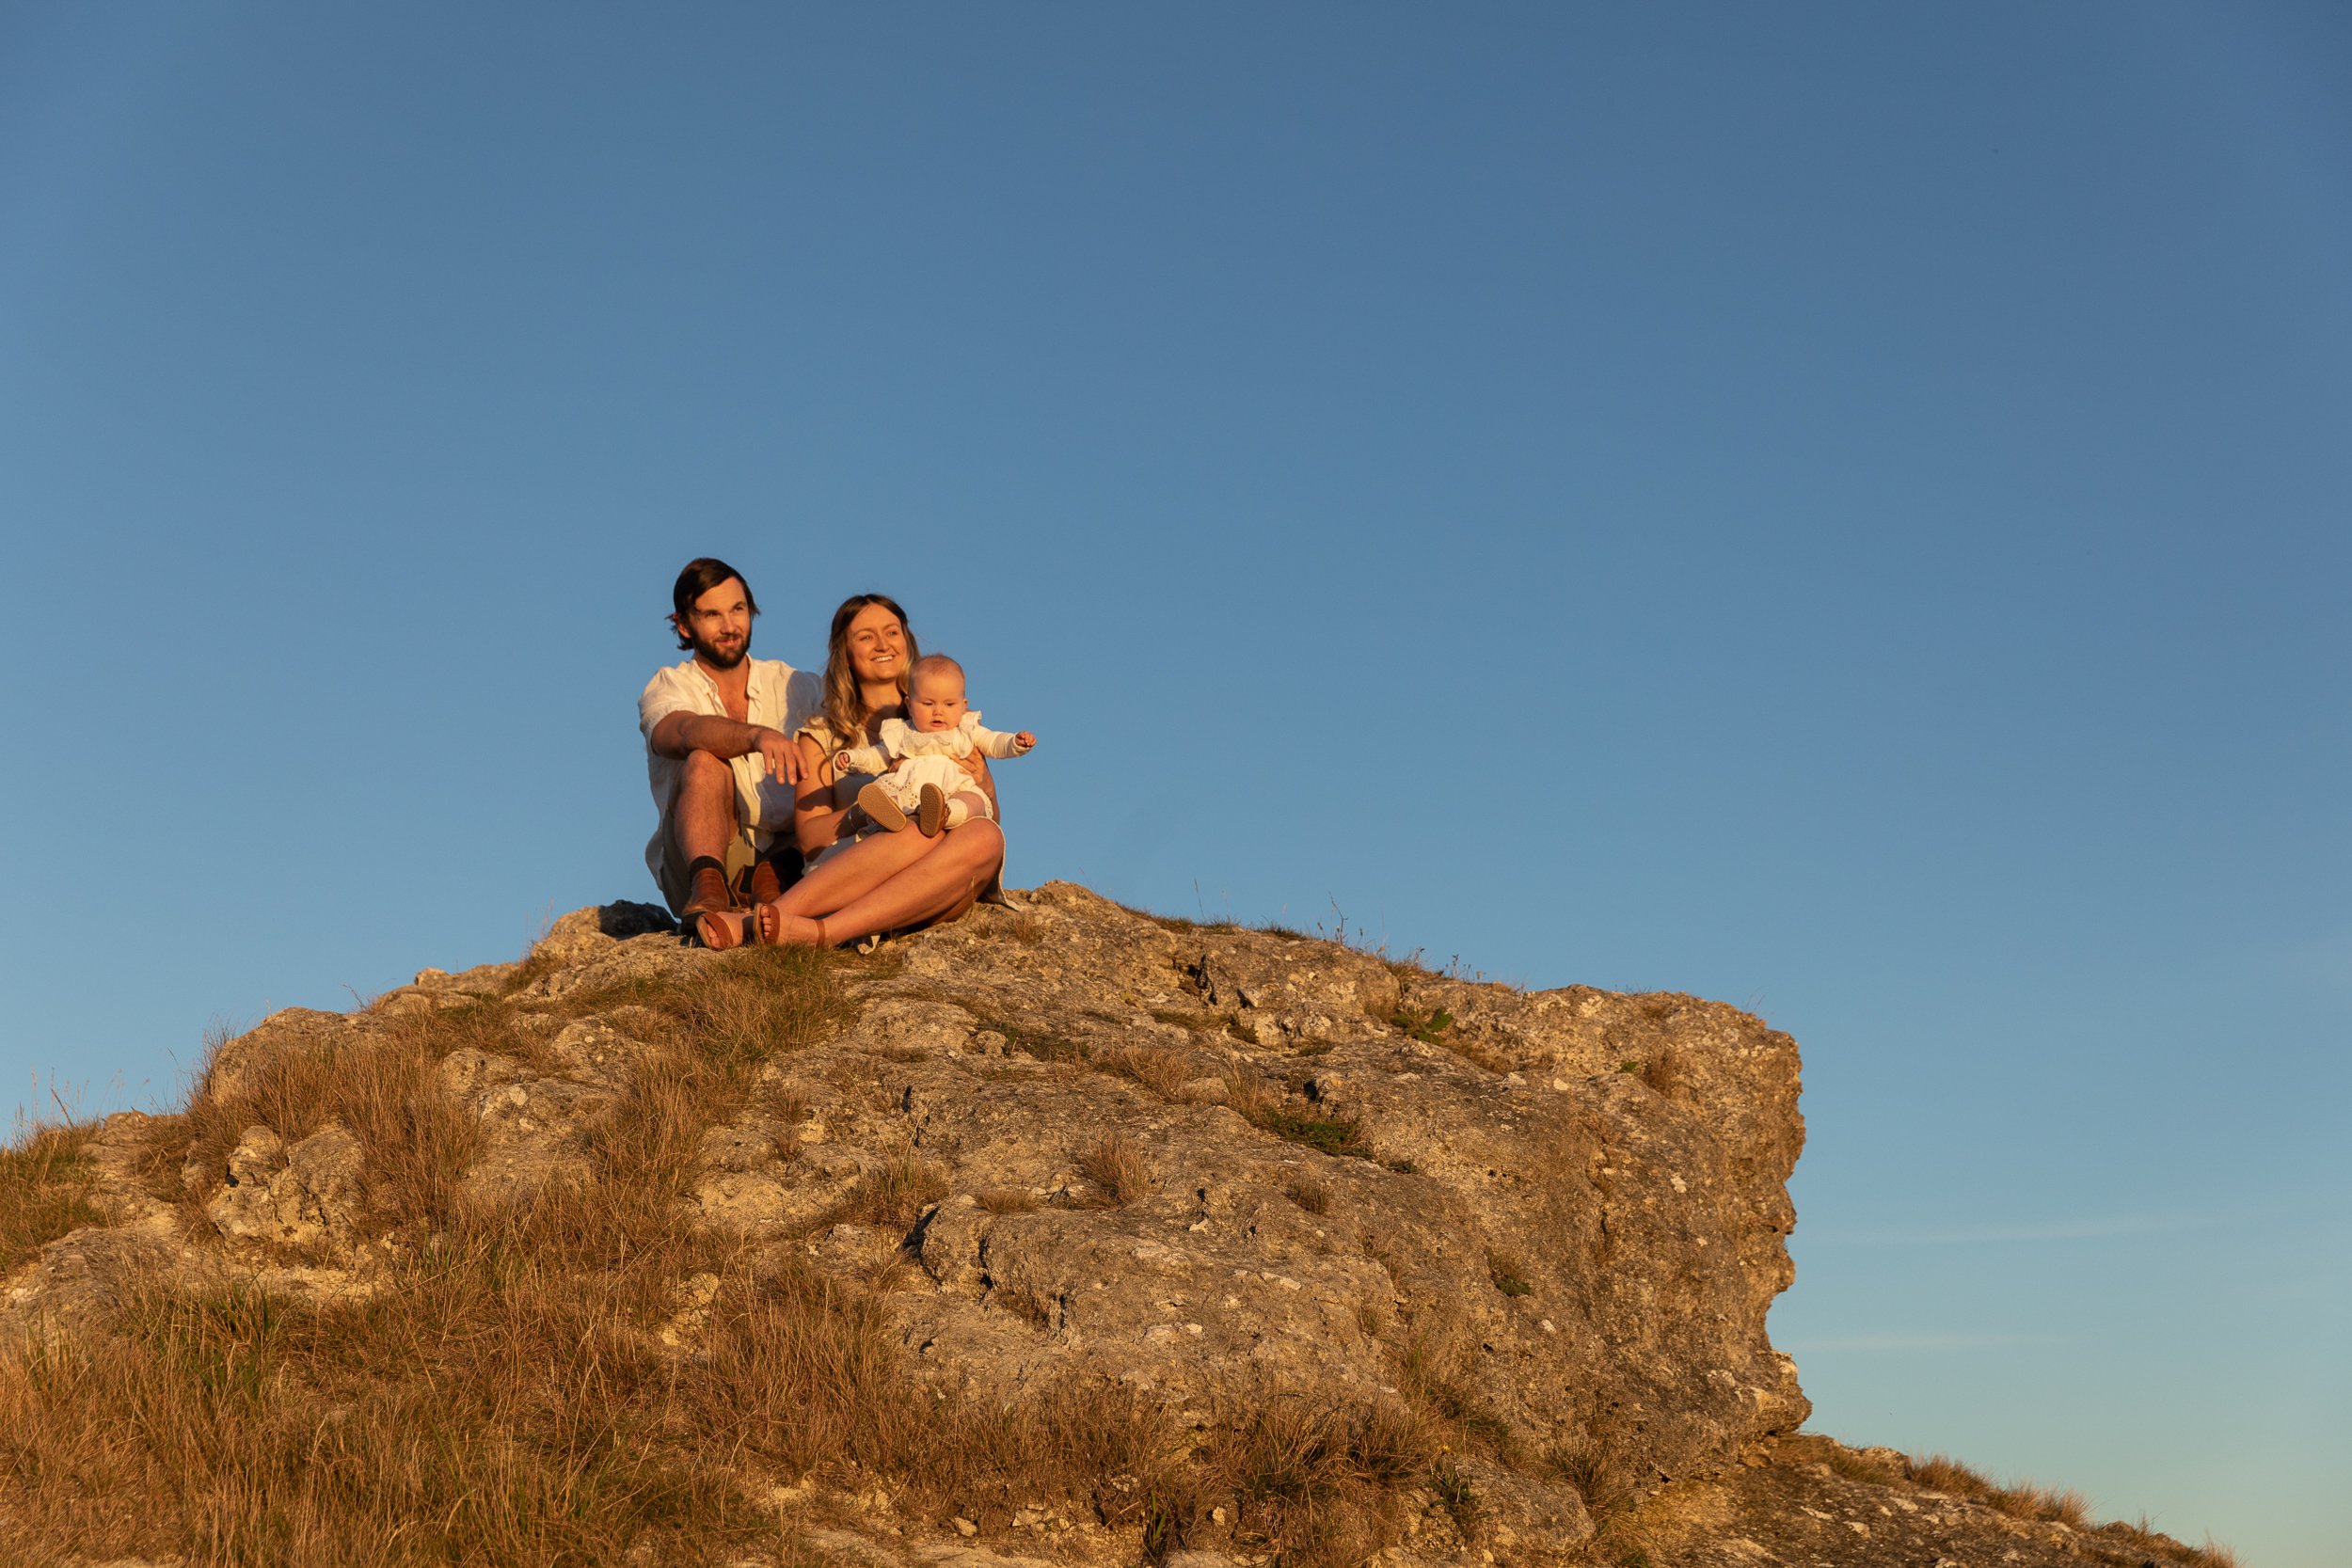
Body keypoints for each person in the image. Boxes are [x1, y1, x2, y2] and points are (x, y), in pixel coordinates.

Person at [711, 594, 1006, 948]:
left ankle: (818, 933)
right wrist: (868, 807)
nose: (883, 644)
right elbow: (810, 838)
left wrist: (985, 781)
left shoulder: (943, 716)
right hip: (858, 869)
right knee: (913, 830)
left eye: (892, 633)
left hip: (935, 883)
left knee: (988, 836)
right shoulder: (821, 735)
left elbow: (989, 814)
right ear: (845, 653)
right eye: (866, 636)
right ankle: (784, 924)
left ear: (907, 642)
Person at [638, 558, 820, 948]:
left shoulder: (796, 685)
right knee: (703, 758)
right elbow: (680, 731)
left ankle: (770, 885)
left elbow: (855, 721)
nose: (729, 626)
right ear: (684, 624)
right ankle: (710, 892)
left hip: (791, 856)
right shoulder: (669, 684)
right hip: (702, 857)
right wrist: (756, 736)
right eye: (711, 614)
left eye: (737, 609)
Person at [835, 653, 1036, 836]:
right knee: (888, 793)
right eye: (928, 704)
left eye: (949, 704)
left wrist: (1015, 742)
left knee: (973, 800)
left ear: (963, 706)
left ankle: (945, 814)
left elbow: (993, 742)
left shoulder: (966, 729)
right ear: (909, 705)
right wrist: (853, 758)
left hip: (954, 787)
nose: (938, 711)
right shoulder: (902, 732)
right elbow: (877, 755)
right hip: (909, 789)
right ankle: (889, 815)